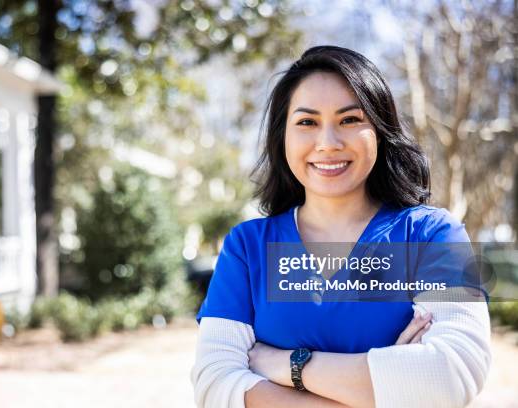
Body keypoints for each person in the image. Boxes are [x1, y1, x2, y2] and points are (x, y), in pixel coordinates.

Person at [190, 45, 491, 408]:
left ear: (379, 131)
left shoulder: (434, 236)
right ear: (282, 137)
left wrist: (282, 364)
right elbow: (213, 384)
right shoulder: (247, 247)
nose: (328, 143)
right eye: (307, 122)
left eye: (350, 120)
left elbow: (450, 376)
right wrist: (386, 388)